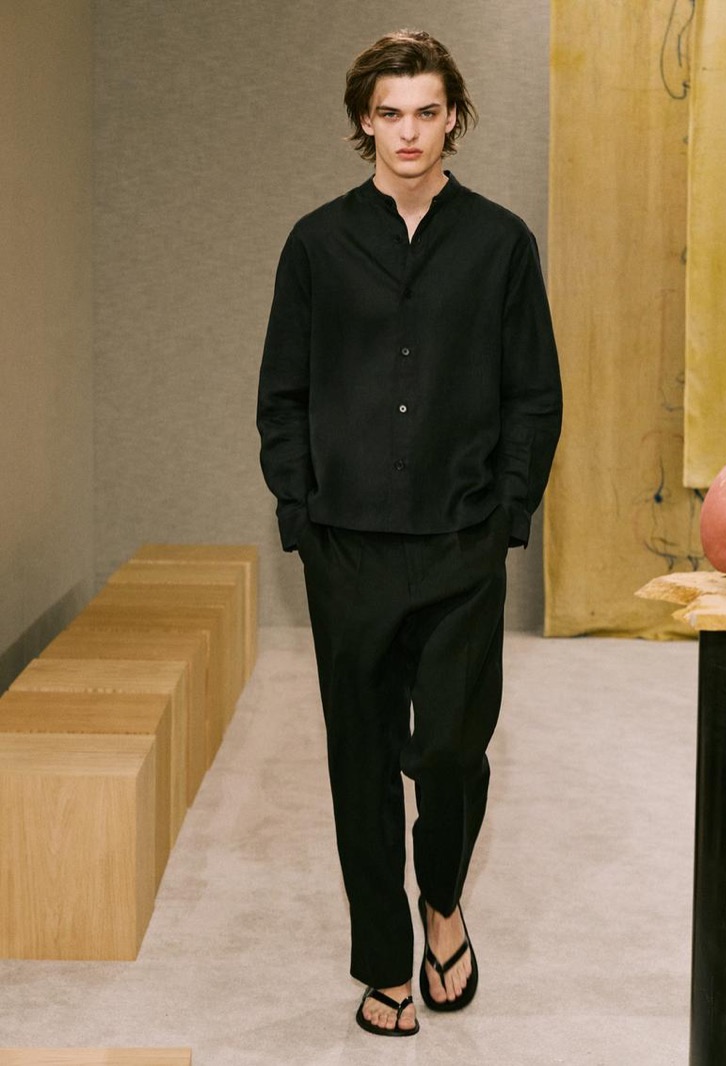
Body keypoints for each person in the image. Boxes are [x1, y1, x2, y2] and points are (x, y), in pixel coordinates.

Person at [257, 29, 562, 1037]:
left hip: (459, 539)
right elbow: (282, 392)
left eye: (427, 111)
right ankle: (385, 960)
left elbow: (533, 392)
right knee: (359, 760)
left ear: (454, 118)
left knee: (451, 754)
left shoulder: (500, 243)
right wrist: (299, 514)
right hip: (345, 545)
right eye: (390, 113)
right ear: (364, 121)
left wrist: (506, 512)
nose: (408, 132)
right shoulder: (316, 243)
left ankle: (442, 901)